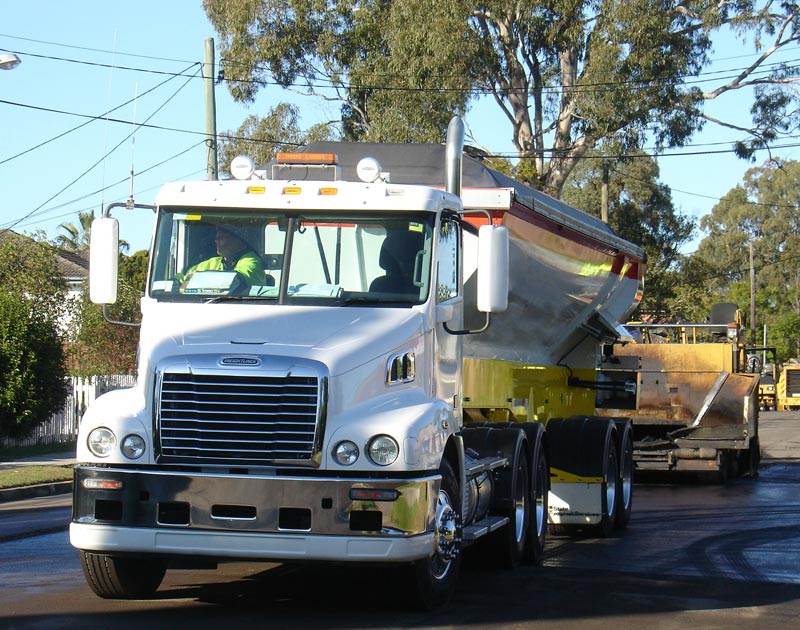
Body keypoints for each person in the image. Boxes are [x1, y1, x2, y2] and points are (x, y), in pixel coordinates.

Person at [184, 226, 267, 287]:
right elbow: (187, 274)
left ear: (239, 240)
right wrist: (176, 280)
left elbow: (236, 279)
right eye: (216, 238)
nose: (216, 241)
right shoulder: (214, 262)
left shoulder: (252, 261)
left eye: (221, 238)